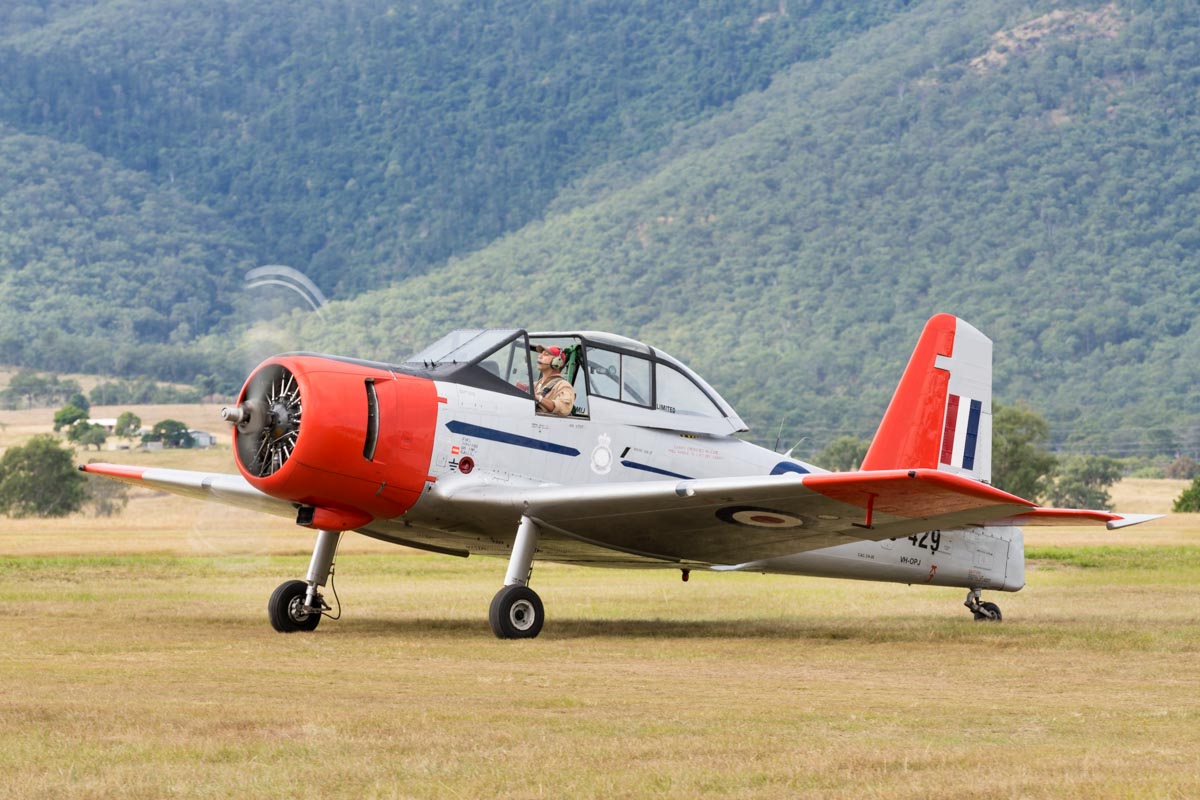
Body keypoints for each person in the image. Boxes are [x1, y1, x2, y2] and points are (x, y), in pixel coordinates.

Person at [532, 345, 576, 416]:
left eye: (546, 354)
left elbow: (564, 408)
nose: (539, 356)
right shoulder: (535, 385)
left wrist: (539, 398)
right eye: (541, 354)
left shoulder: (563, 386)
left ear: (557, 362)